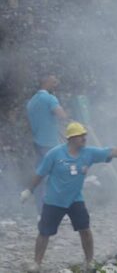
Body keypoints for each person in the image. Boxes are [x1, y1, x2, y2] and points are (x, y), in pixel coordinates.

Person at [19, 122, 117, 272]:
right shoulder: (55, 154)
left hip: (75, 199)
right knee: (44, 232)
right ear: (72, 138)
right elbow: (40, 173)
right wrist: (29, 190)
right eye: (81, 135)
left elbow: (110, 152)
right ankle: (36, 263)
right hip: (54, 200)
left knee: (85, 230)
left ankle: (89, 262)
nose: (84, 138)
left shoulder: (88, 153)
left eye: (84, 135)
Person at [26, 74, 69, 213]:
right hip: (50, 143)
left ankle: (41, 210)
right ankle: (56, 210)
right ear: (47, 82)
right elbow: (61, 115)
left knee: (40, 175)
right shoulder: (50, 98)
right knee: (57, 176)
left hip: (37, 142)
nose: (56, 83)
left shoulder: (31, 101)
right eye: (54, 81)